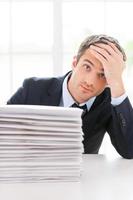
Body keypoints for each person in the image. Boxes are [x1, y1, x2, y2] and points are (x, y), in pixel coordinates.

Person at [7, 34, 133, 159]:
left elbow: (130, 150)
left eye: (103, 75)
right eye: (87, 67)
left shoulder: (109, 101)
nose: (90, 81)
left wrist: (117, 82)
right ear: (74, 63)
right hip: (31, 171)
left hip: (84, 175)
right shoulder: (32, 89)